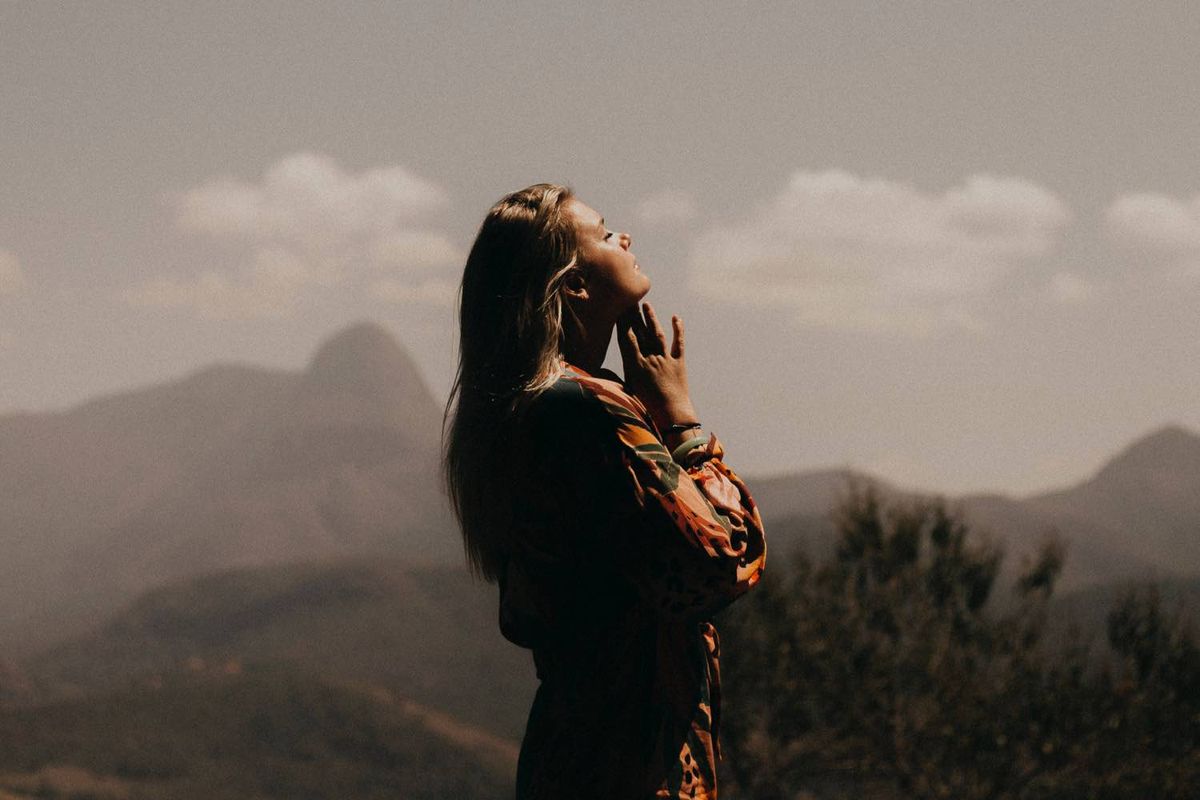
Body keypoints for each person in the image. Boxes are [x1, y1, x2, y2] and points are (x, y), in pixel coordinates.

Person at [443, 183, 766, 799]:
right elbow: (724, 560)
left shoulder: (536, 410)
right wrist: (682, 423)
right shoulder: (583, 411)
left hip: (579, 757)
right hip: (625, 766)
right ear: (575, 286)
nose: (626, 237)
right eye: (604, 232)